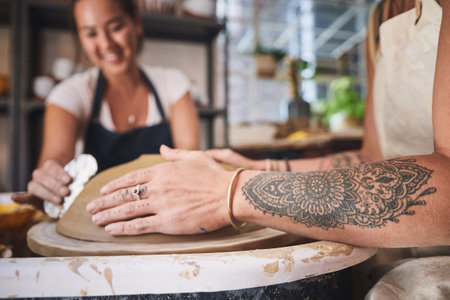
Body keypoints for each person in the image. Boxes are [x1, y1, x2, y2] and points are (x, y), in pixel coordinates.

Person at [85, 0, 450, 247]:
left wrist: (231, 191)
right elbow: (371, 160)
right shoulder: (379, 16)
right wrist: (264, 167)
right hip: (386, 249)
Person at [13, 0, 199, 207]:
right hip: (97, 220)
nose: (106, 43)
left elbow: (189, 157)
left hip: (166, 210)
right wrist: (51, 178)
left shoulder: (172, 83)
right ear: (80, 38)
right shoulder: (70, 94)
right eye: (91, 34)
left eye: (115, 28)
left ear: (136, 23)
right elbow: (57, 156)